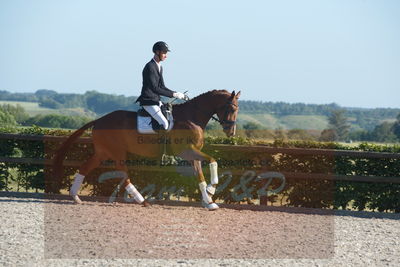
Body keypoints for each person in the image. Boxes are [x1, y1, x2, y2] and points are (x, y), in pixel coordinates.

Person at [136, 41, 188, 130]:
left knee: (171, 120)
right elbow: (155, 88)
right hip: (148, 101)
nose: (166, 56)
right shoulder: (150, 67)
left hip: (155, 100)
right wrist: (173, 95)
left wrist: (176, 93)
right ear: (157, 52)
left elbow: (162, 86)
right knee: (165, 124)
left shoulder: (159, 66)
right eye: (164, 53)